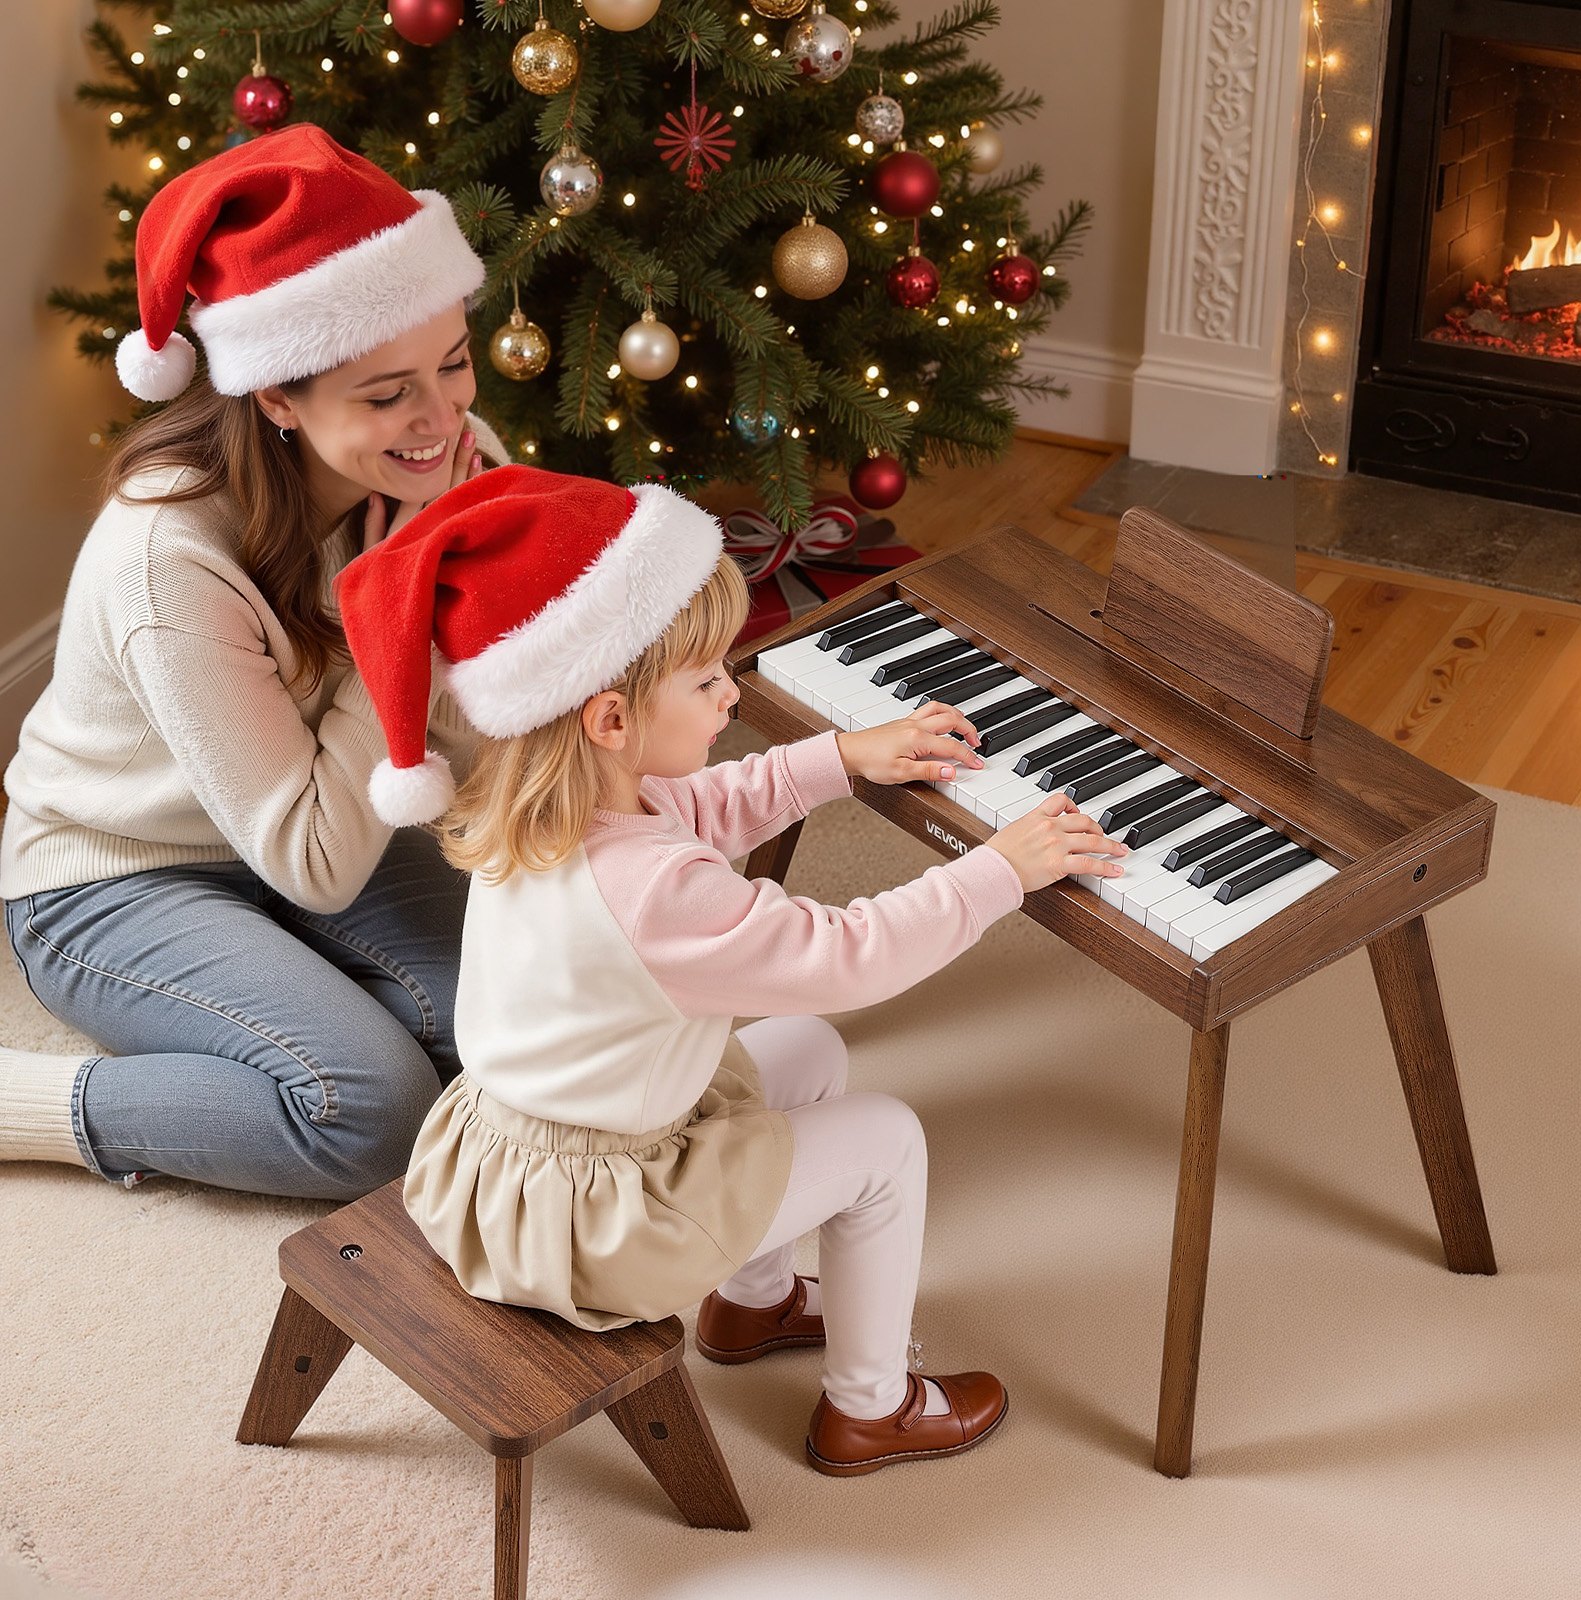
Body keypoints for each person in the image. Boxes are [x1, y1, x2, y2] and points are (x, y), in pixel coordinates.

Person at [335, 465, 1129, 1475]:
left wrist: (840, 757)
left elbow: (701, 809)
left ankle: (752, 1305)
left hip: (506, 1164)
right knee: (885, 1137)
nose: (732, 690)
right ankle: (870, 1407)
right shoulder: (656, 893)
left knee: (802, 1049)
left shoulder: (553, 810)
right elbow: (851, 954)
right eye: (706, 678)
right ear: (610, 719)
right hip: (592, 1224)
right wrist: (995, 873)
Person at [0, 124, 506, 1199]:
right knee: (376, 1117)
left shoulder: (426, 466)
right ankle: (29, 1106)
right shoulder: (166, 556)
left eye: (452, 364)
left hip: (316, 814)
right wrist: (402, 611)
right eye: (385, 393)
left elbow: (466, 743)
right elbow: (314, 860)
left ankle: (296, 1012)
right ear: (277, 396)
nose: (441, 416)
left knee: (527, 1025)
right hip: (115, 871)